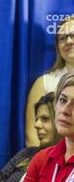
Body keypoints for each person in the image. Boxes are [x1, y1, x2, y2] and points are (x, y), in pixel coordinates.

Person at [0, 92, 61, 182]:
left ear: (61, 121)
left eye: (45, 119)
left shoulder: (66, 163)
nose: (36, 125)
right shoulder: (26, 154)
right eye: (36, 119)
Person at [25, 18, 73, 146]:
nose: (69, 41)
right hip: (54, 156)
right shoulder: (43, 83)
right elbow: (33, 137)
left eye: (73, 35)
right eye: (62, 38)